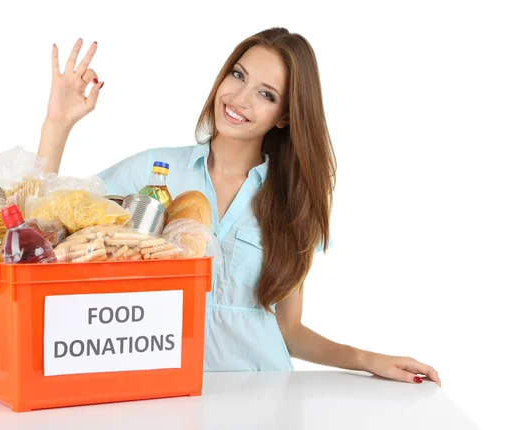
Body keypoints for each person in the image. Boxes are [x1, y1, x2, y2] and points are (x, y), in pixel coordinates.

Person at [38, 28, 442, 386]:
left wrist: (367, 359)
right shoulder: (154, 172)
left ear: (284, 115)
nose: (239, 98)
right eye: (238, 75)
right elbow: (41, 227)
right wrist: (57, 124)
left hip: (263, 395)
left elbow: (288, 329)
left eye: (266, 94)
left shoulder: (293, 204)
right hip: (162, 391)